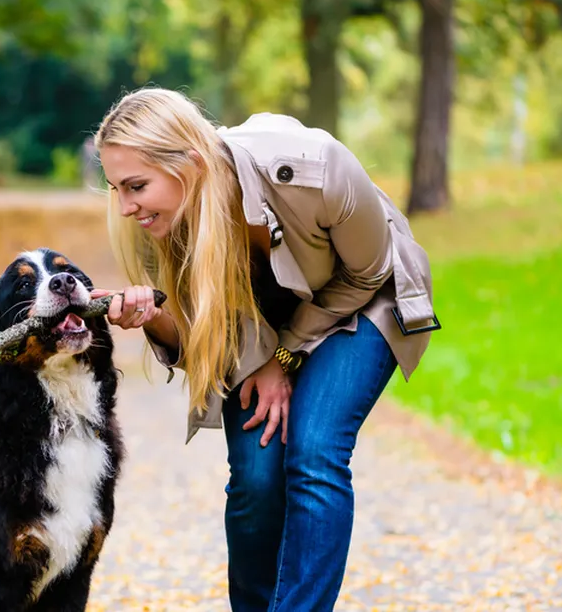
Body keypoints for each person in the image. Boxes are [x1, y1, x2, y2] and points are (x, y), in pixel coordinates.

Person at [87, 87, 439, 612]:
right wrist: (153, 316)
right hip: (262, 330)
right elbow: (197, 339)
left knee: (314, 450)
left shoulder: (315, 167)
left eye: (136, 186)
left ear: (191, 161)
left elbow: (369, 271)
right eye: (116, 188)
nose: (125, 205)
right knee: (254, 480)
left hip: (362, 302)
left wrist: (287, 356)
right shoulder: (157, 221)